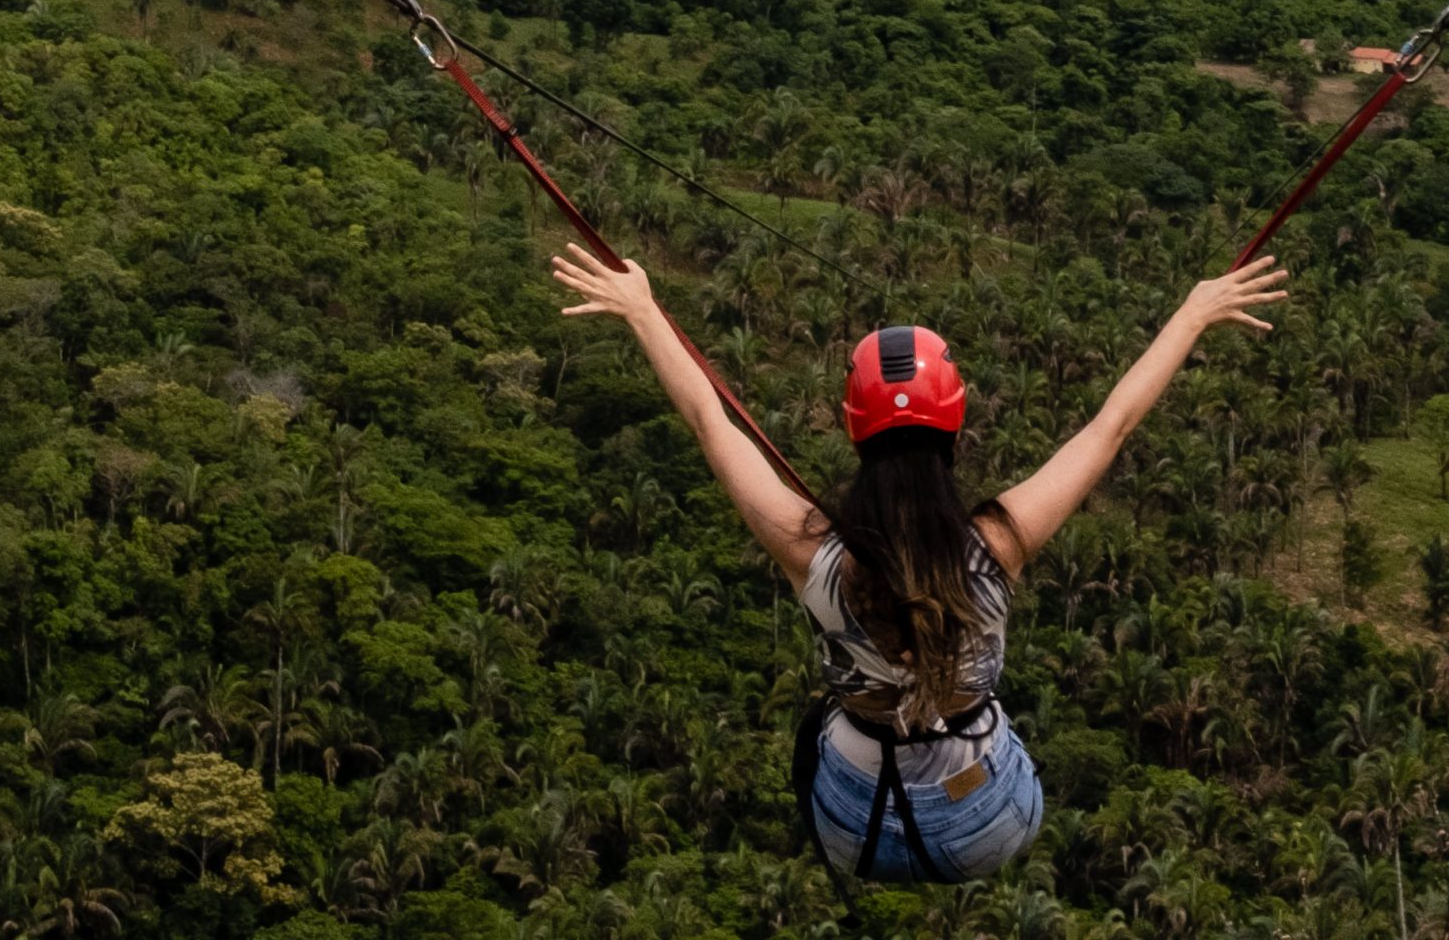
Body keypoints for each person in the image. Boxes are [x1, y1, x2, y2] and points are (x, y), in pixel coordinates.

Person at [550, 243, 1290, 883]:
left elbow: (709, 421)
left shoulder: (811, 550)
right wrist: (1193, 313)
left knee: (820, 726)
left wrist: (644, 310)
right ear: (956, 428)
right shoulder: (997, 544)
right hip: (984, 830)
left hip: (851, 830)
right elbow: (1111, 425)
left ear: (852, 430)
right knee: (995, 724)